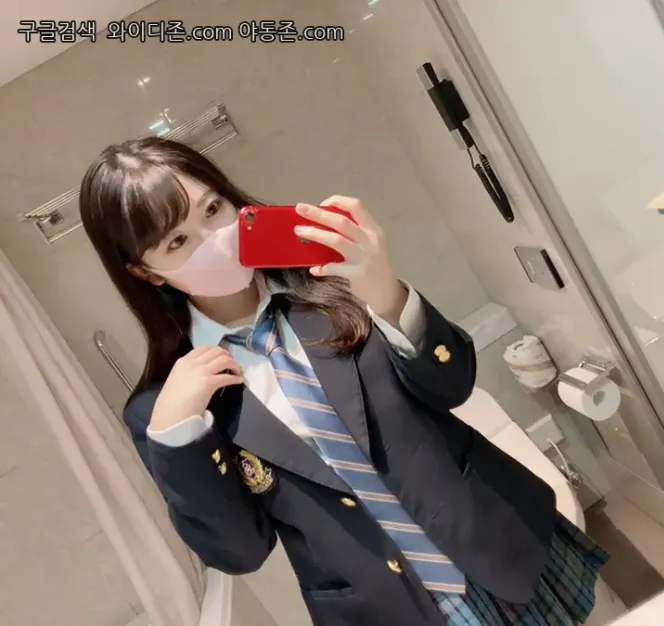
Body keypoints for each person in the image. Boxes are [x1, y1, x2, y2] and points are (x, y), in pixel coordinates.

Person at [79, 136, 608, 626]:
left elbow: (453, 386)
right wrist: (180, 438)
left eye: (213, 210)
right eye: (178, 241)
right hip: (384, 611)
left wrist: (386, 290)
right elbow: (241, 552)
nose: (215, 240)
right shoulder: (164, 409)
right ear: (146, 272)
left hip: (497, 544)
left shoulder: (333, 279)